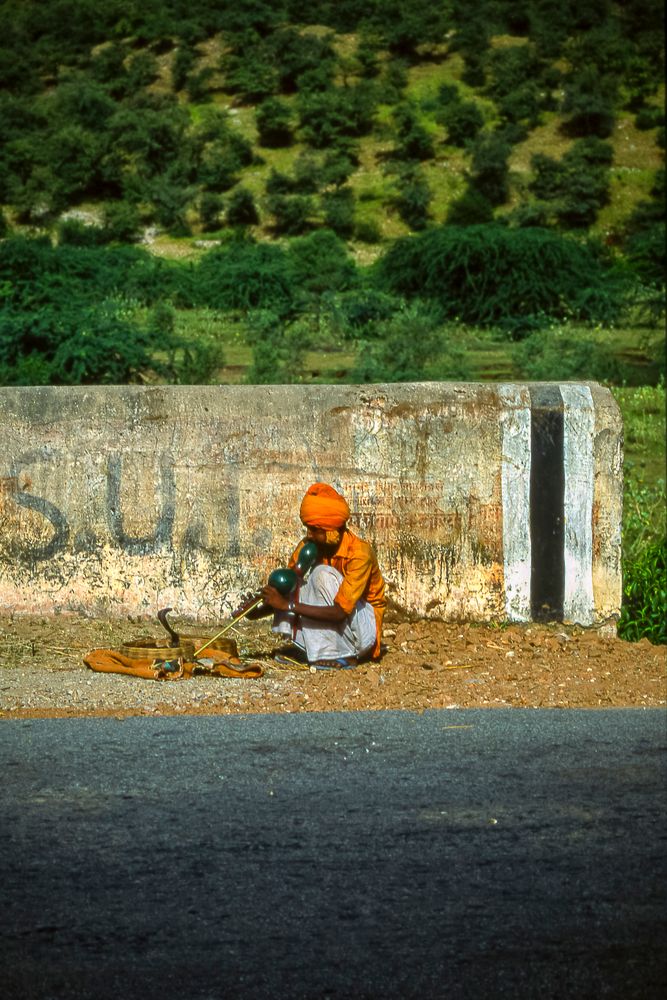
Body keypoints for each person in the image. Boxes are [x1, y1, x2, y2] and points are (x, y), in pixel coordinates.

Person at [254, 482, 386, 669]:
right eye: (308, 527)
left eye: (315, 529)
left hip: (363, 630)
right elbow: (285, 592)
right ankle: (311, 650)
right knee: (295, 581)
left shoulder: (359, 553)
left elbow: (340, 612)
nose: (309, 534)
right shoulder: (309, 545)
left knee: (320, 574)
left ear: (332, 531)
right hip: (339, 621)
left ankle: (346, 656)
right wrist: (258, 608)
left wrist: (287, 605)